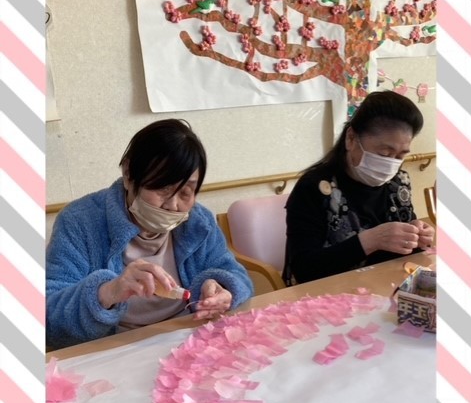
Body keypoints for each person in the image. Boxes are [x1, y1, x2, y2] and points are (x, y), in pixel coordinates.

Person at [47, 119, 254, 349]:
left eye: (186, 192)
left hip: (188, 339)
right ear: (129, 174)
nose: (173, 205)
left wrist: (224, 289)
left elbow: (236, 275)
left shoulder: (198, 222)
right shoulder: (80, 221)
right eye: (163, 188)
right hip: (115, 347)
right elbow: (49, 317)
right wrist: (108, 292)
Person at [283, 91, 435, 285]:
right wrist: (369, 241)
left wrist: (418, 238)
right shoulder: (315, 188)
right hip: (329, 292)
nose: (391, 164)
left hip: (386, 284)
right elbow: (304, 270)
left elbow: (403, 253)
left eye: (400, 156)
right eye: (384, 153)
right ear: (351, 138)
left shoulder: (399, 182)